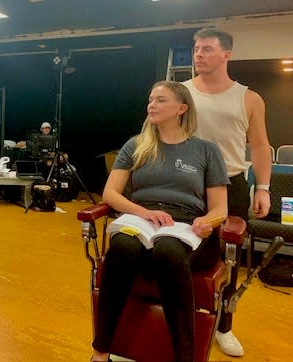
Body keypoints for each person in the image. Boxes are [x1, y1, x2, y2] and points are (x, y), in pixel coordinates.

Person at [90, 81, 229, 362]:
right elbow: (110, 194)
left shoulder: (206, 151)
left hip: (185, 226)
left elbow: (220, 208)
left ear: (181, 108)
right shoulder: (136, 145)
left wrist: (206, 221)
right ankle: (101, 350)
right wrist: (144, 213)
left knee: (168, 249)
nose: (151, 105)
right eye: (151, 99)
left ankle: (184, 356)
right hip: (141, 219)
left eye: (161, 100)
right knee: (121, 248)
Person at [183, 27, 271, 357]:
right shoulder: (182, 93)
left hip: (231, 184)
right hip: (186, 183)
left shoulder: (249, 98)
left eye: (206, 49)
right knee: (183, 252)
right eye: (196, 49)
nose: (199, 54)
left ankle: (225, 326)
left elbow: (260, 146)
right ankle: (183, 316)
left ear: (226, 55)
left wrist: (262, 188)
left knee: (228, 260)